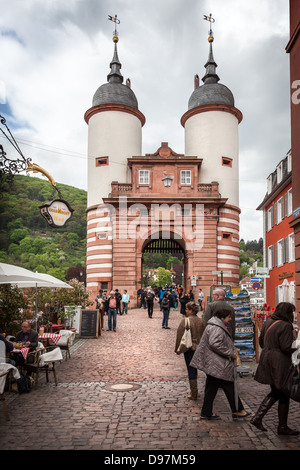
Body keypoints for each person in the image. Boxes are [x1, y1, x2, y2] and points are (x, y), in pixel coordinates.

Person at [190, 308, 251, 420]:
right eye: (228, 317)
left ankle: (207, 412)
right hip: (216, 363)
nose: (230, 319)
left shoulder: (215, 325)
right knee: (228, 385)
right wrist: (230, 353)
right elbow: (215, 343)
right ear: (222, 318)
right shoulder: (216, 327)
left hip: (213, 363)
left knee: (212, 388)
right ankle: (236, 411)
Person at [250, 302, 300, 435]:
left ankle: (282, 426)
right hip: (279, 363)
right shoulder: (285, 325)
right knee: (279, 391)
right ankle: (258, 418)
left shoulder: (269, 321)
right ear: (288, 313)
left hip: (267, 358)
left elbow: (261, 342)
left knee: (282, 393)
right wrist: (297, 346)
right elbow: (286, 347)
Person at [175, 302, 206, 400]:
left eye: (187, 309)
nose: (185, 311)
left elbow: (179, 336)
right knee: (204, 369)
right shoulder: (202, 321)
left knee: (191, 370)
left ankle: (194, 393)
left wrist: (178, 349)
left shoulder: (185, 321)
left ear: (191, 310)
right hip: (200, 348)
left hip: (190, 349)